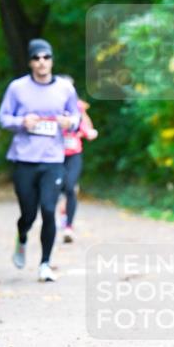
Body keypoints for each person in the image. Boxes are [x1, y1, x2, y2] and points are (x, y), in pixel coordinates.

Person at [0, 38, 80, 282]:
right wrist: (21, 122)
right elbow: (3, 118)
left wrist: (70, 123)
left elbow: (76, 116)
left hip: (53, 159)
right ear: (30, 62)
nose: (41, 62)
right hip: (24, 158)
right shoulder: (17, 88)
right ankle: (22, 236)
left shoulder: (65, 88)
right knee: (28, 214)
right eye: (36, 58)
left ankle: (45, 263)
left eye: (46, 57)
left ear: (52, 60)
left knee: (48, 209)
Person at [57, 78, 98, 243]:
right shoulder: (51, 105)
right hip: (54, 155)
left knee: (70, 188)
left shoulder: (78, 106)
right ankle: (59, 214)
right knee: (57, 188)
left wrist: (88, 132)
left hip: (73, 153)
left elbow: (86, 124)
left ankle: (68, 226)